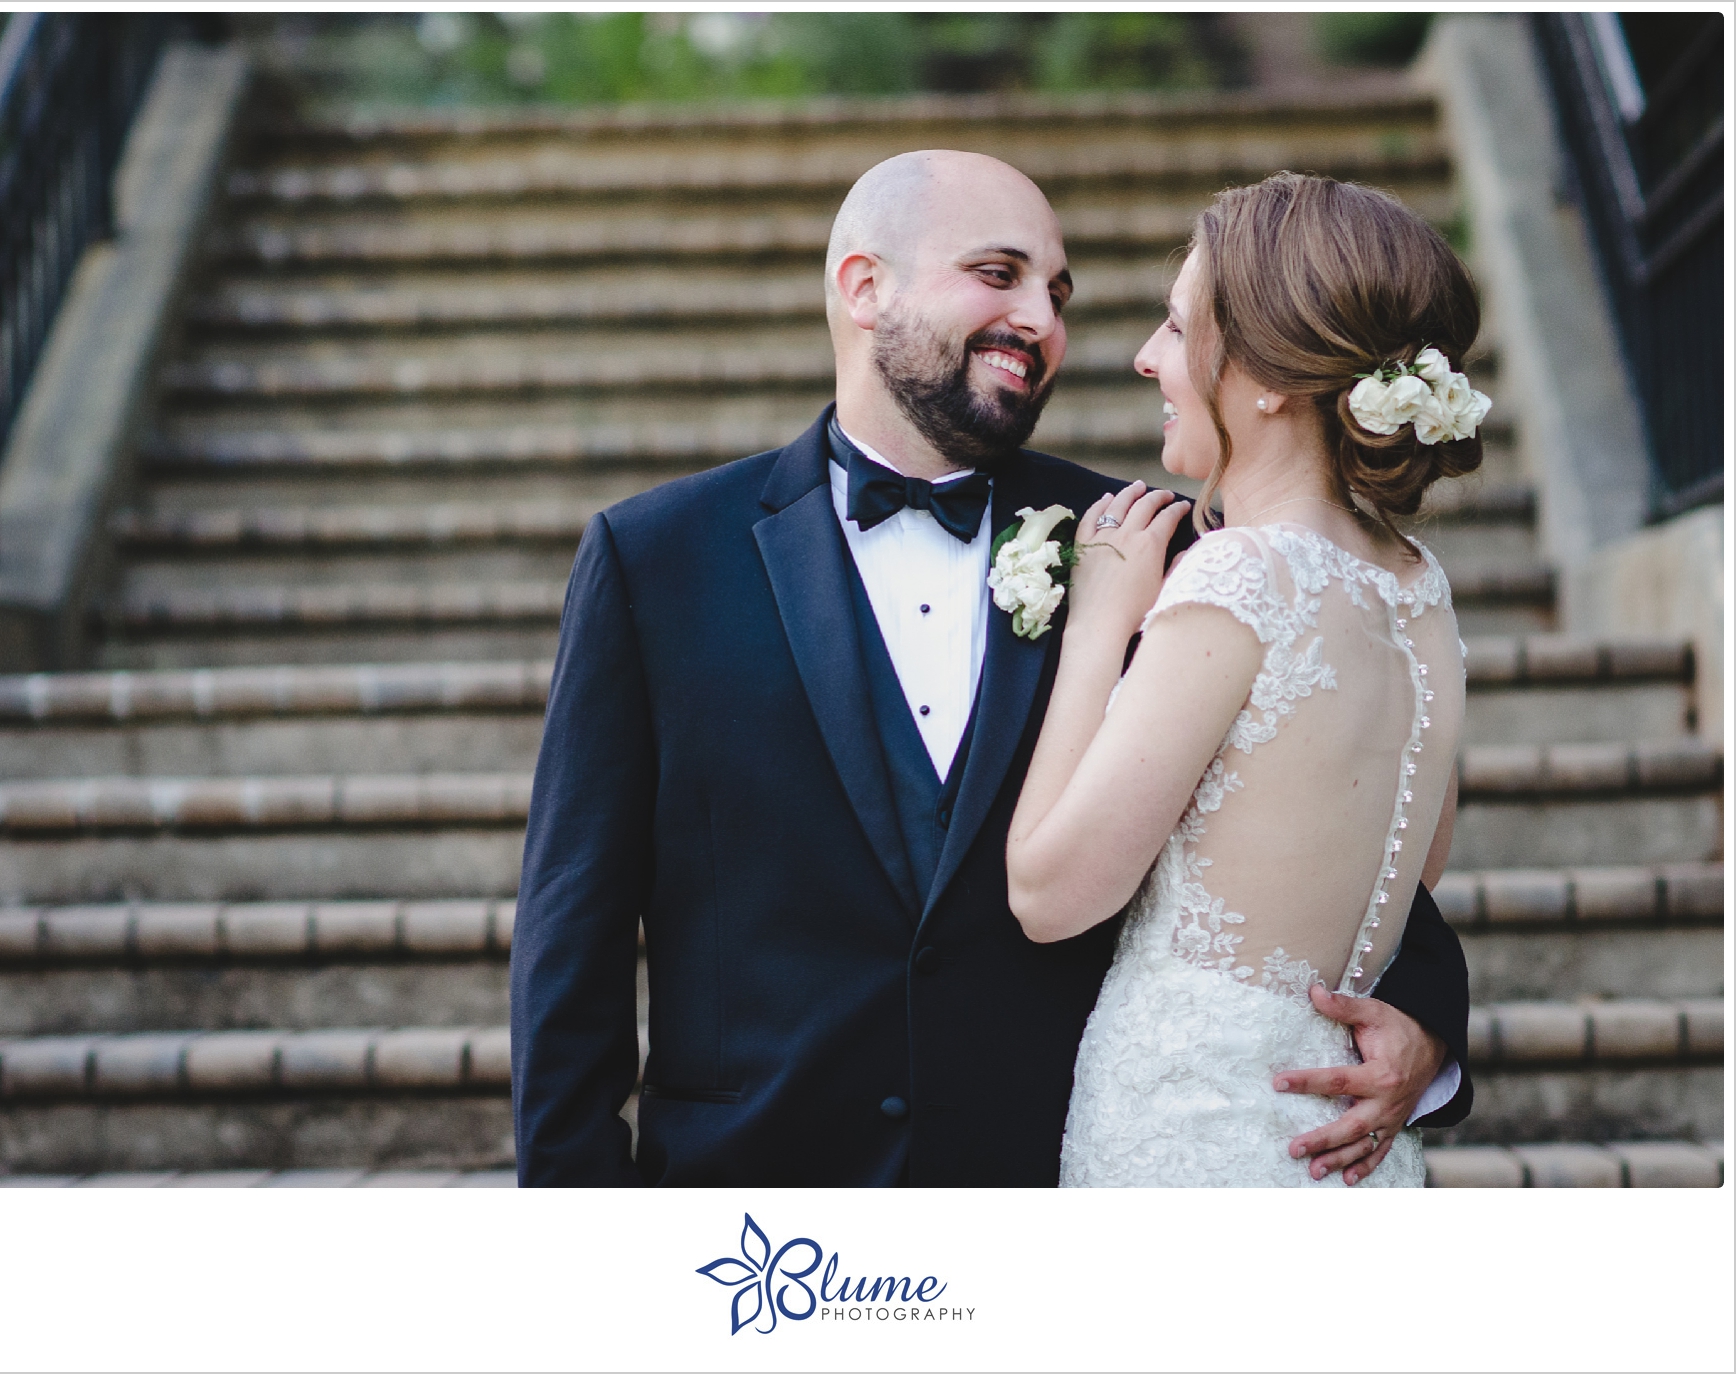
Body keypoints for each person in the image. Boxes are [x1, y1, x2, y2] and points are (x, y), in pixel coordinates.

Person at [509, 151, 1472, 1186]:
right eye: (998, 273)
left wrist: (1424, 1025)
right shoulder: (656, 558)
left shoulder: (1158, 547)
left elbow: (1330, 804)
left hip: (1051, 1185)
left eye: (1058, 294)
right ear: (865, 288)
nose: (1043, 322)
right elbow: (576, 932)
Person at [1007, 172, 1484, 1186]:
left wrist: (1099, 624)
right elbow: (1419, 866)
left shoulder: (1242, 575)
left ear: (1268, 377)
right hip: (1343, 1154)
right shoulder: (1420, 590)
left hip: (1191, 1133)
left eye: (1178, 331)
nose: (1145, 357)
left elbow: (1049, 894)